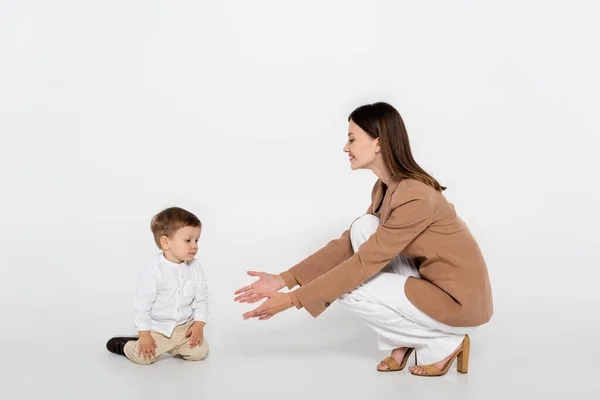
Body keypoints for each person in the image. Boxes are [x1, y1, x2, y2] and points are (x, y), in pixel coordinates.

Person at [234, 102, 493, 376]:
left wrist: (292, 300)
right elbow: (349, 245)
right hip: (434, 285)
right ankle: (404, 341)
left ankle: (443, 341)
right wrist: (282, 280)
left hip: (459, 303)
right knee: (363, 227)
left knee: (348, 288)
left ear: (378, 143)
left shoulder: (415, 196)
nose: (346, 148)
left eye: (352, 139)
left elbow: (363, 264)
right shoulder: (385, 187)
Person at [106, 207, 209, 365]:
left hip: (184, 329)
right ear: (166, 242)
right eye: (188, 240)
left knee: (200, 352)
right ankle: (127, 345)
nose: (194, 246)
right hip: (159, 330)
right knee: (143, 357)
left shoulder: (195, 267)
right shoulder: (153, 270)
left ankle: (177, 347)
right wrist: (145, 334)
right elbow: (143, 305)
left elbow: (201, 298)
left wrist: (198, 324)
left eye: (197, 240)